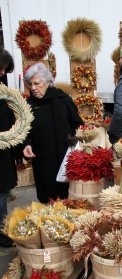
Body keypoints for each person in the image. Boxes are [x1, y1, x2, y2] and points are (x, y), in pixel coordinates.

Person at [23, 62, 83, 203]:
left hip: (64, 156)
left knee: (66, 196)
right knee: (47, 197)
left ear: (47, 82)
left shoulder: (62, 100)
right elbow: (24, 131)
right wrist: (26, 144)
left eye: (37, 83)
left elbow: (78, 124)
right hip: (42, 159)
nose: (33, 88)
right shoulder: (28, 105)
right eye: (30, 85)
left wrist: (74, 138)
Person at [0, 47, 16, 247]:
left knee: (2, 192)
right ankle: (2, 235)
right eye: (2, 68)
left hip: (4, 149)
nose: (3, 72)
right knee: (1, 194)